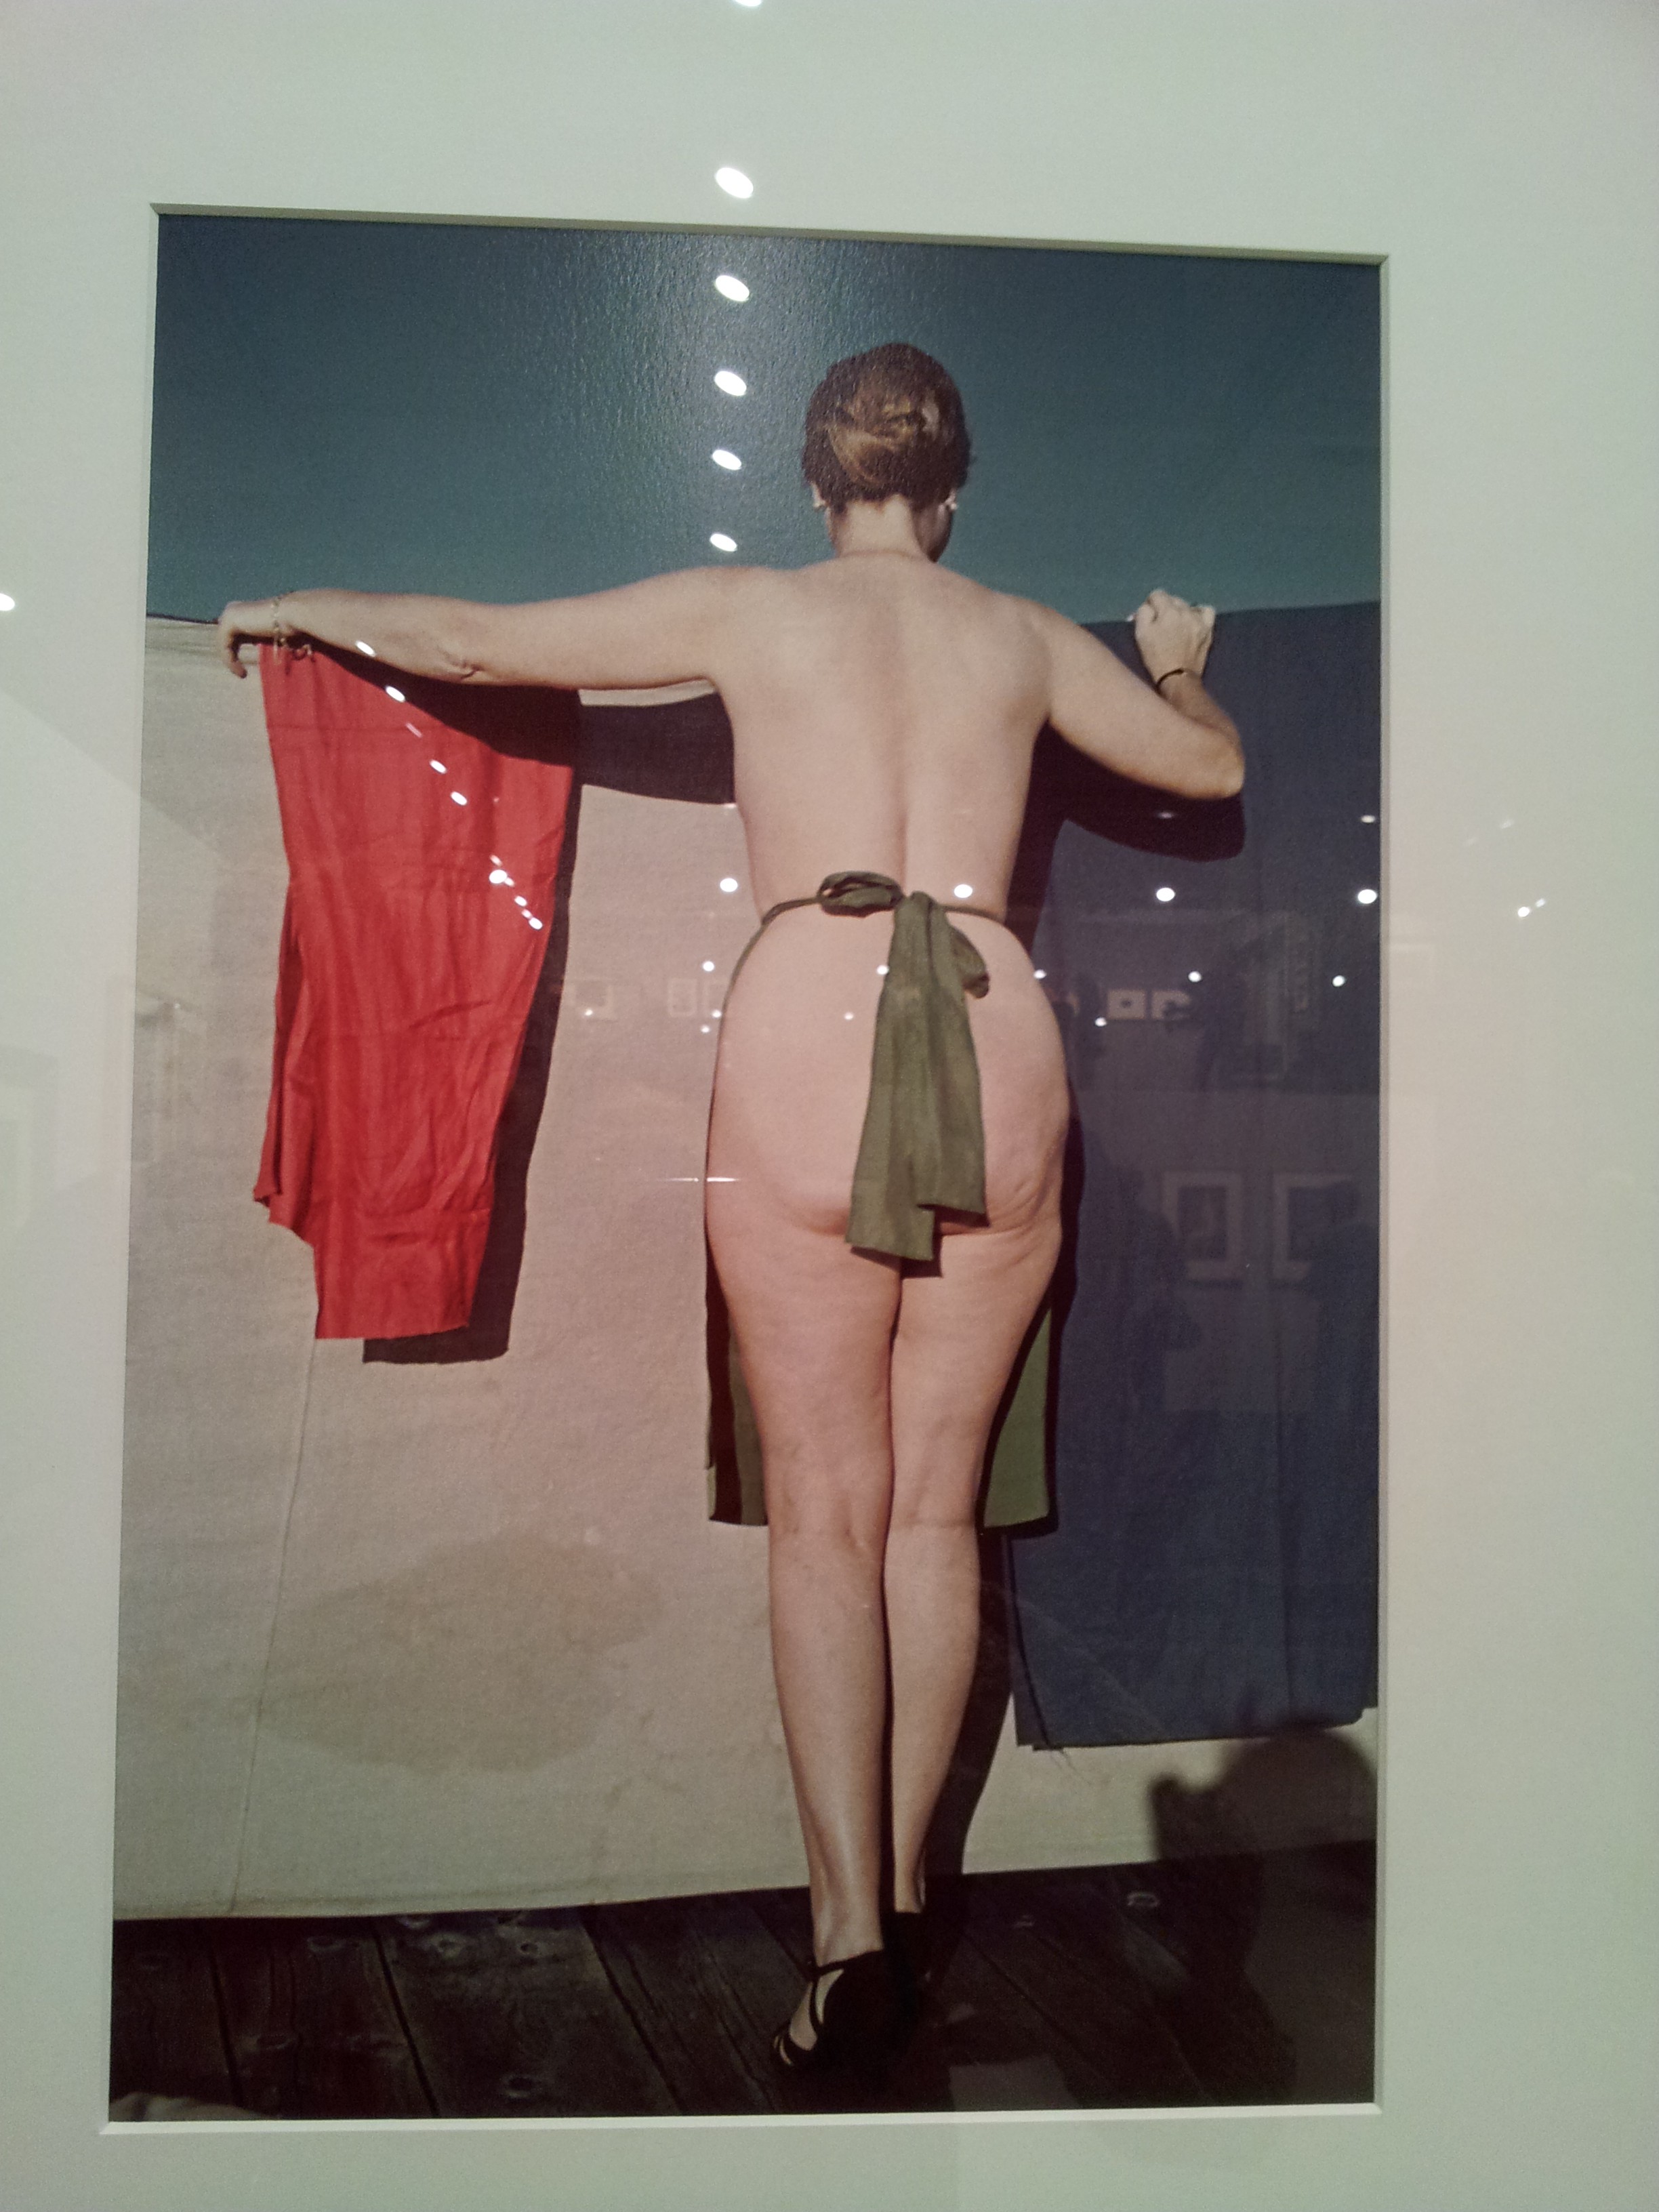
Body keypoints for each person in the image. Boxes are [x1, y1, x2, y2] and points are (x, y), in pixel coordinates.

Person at [218, 342, 1242, 2076]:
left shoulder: (751, 611)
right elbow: (1207, 772)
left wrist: (305, 602)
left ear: (816, 485)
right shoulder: (1019, 638)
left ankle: (846, 1945)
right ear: (952, 492)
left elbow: (473, 643)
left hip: (805, 1029)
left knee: (827, 1518)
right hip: (996, 1029)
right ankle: (907, 1897)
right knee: (934, 1518)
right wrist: (1186, 667)